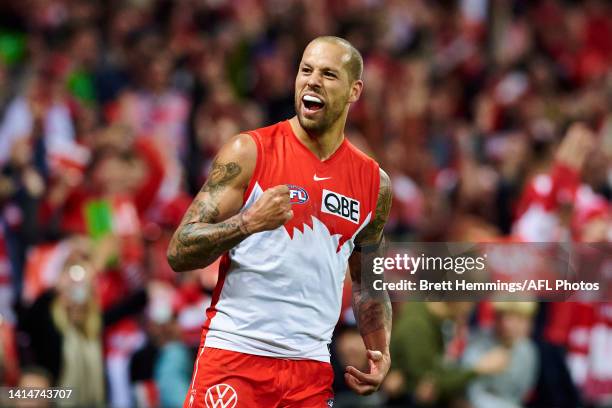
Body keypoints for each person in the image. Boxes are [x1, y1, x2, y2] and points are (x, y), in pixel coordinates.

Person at [167, 36, 393, 408]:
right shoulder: (250, 152)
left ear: (355, 91)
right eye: (306, 70)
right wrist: (246, 224)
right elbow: (179, 250)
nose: (312, 81)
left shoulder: (374, 184)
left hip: (311, 370)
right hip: (235, 357)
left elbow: (368, 279)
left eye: (328, 74)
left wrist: (380, 348)